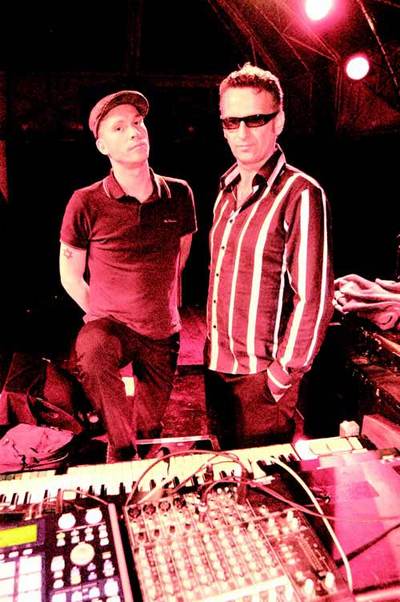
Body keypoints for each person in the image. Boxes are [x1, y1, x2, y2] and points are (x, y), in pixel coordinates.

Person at [59, 90, 196, 461]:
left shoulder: (179, 194)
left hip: (161, 330)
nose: (134, 132)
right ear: (102, 145)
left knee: (150, 428)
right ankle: (120, 450)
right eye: (119, 128)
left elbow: (180, 256)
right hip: (113, 327)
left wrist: (159, 303)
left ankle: (142, 457)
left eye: (137, 123)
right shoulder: (85, 201)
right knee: (92, 350)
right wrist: (103, 312)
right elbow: (70, 274)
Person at [204, 64, 334, 450]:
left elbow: (314, 299)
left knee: (264, 483)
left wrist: (279, 379)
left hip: (261, 381)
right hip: (216, 371)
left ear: (279, 121)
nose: (242, 133)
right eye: (232, 122)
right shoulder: (225, 191)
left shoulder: (301, 193)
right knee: (223, 473)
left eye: (255, 120)